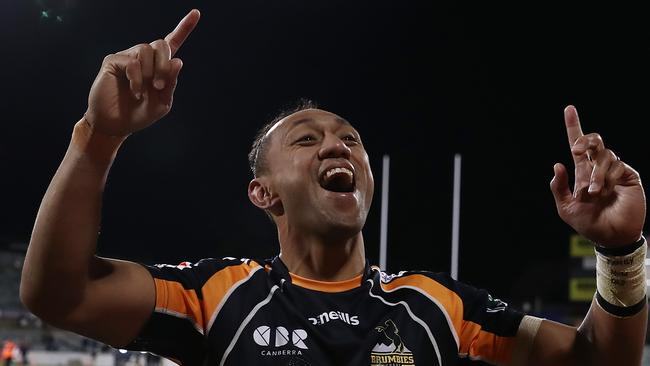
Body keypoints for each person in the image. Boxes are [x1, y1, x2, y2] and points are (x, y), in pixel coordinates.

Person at [19, 8, 647, 366]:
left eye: (349, 138)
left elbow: (599, 362)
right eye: (306, 139)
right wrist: (96, 137)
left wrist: (622, 254)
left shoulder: (437, 307)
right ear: (263, 193)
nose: (337, 145)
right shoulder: (215, 295)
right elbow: (57, 293)